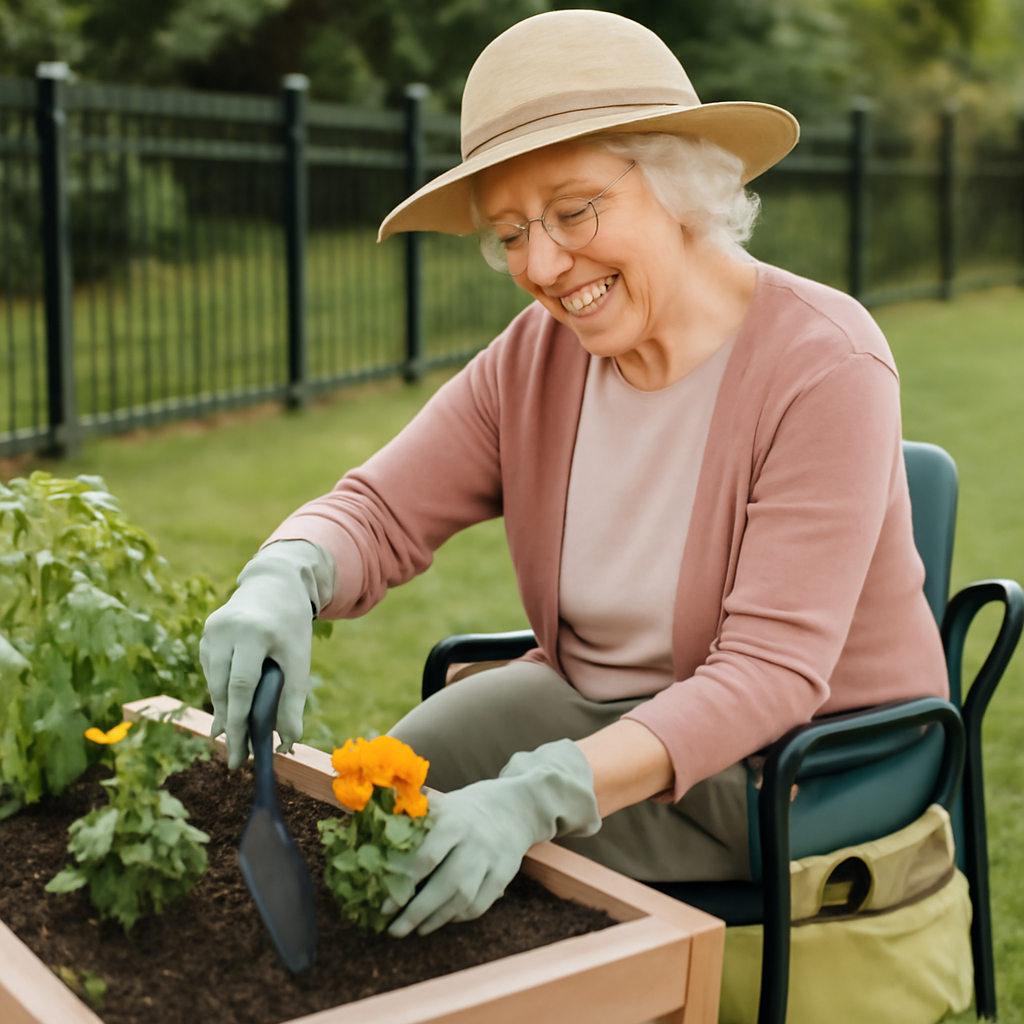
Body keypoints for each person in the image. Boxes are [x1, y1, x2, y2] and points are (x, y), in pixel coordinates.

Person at [200, 10, 948, 939]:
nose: (543, 266)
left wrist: (529, 799)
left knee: (462, 884)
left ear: (679, 184)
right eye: (510, 231)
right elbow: (382, 507)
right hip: (596, 706)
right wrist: (289, 569)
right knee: (371, 817)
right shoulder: (538, 357)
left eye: (573, 210)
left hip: (792, 758)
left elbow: (767, 675)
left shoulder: (826, 363)